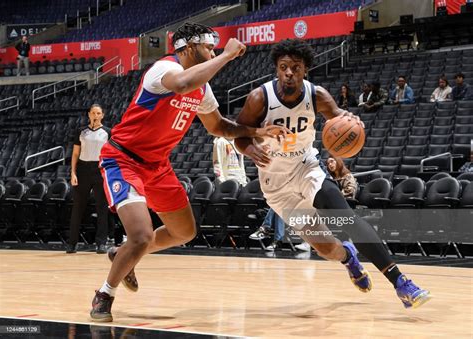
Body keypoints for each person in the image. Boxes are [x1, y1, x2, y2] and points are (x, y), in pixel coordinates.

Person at [90, 22, 289, 322]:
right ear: (187, 47)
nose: (213, 51)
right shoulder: (162, 68)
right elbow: (181, 84)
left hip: (157, 165)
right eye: (209, 47)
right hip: (123, 159)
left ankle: (123, 254)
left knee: (184, 231)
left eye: (215, 48)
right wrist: (227, 56)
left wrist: (258, 131)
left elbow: (219, 127)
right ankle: (104, 295)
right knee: (142, 235)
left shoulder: (203, 89)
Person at [235, 38, 431, 309]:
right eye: (283, 67)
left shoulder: (317, 96)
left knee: (346, 218)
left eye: (295, 67)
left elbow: (340, 120)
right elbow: (238, 134)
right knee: (326, 248)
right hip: (276, 185)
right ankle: (348, 258)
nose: (289, 72)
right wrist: (249, 150)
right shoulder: (259, 98)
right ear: (276, 69)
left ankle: (401, 283)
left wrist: (352, 124)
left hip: (306, 169)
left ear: (305, 70)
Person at [67, 104, 111, 254]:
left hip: (100, 170)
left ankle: (101, 243)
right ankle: (72, 243)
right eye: (93, 113)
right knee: (77, 207)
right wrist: (73, 173)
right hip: (83, 169)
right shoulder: (81, 132)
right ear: (89, 115)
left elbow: (111, 155)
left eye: (98, 113)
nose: (95, 115)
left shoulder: (108, 132)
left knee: (101, 208)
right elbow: (75, 154)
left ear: (102, 115)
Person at [295, 156, 357, 252]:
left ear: (338, 162)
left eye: (332, 161)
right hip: (329, 206)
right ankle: (311, 243)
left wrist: (332, 196)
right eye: (328, 163)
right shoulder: (329, 178)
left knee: (313, 215)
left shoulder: (348, 176)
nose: (330, 165)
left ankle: (309, 244)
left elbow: (350, 191)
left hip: (343, 205)